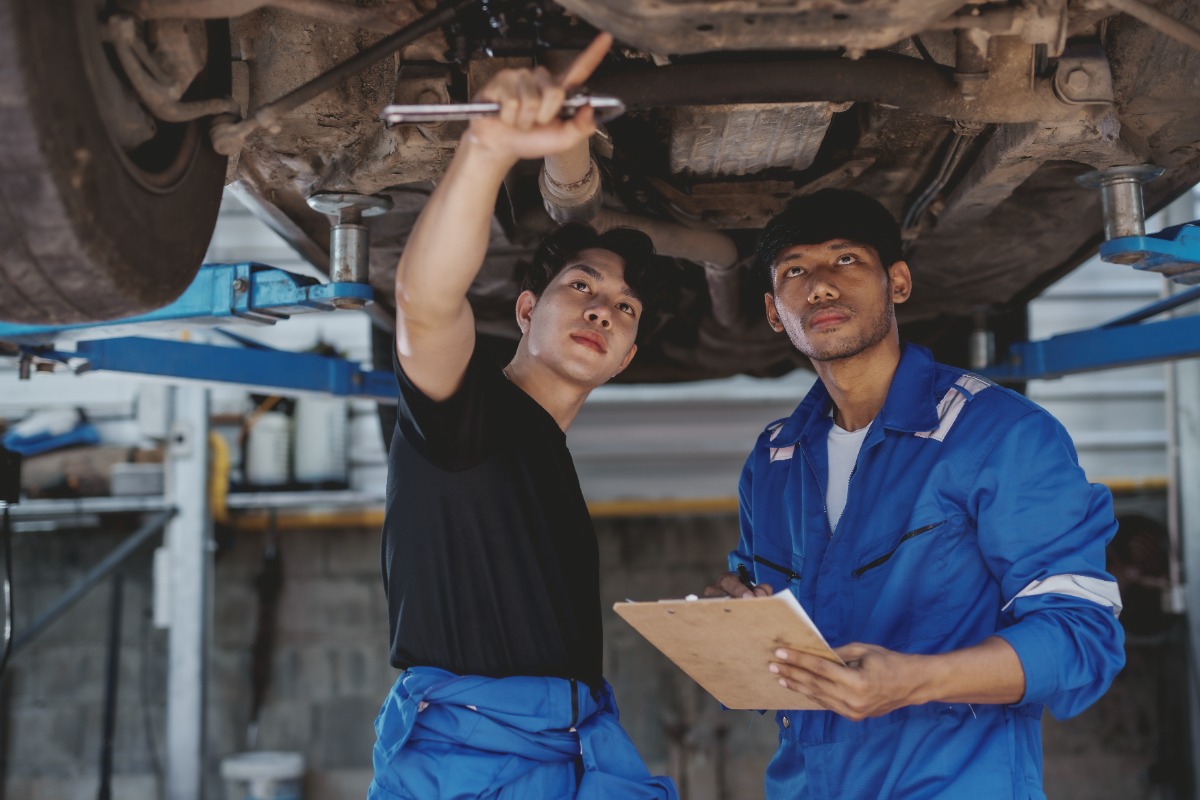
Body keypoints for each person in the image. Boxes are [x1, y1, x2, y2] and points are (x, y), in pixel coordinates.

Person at [704, 189, 1125, 798]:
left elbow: (1082, 638)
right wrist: (735, 615)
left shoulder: (1001, 434)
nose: (820, 285)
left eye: (845, 259)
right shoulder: (774, 460)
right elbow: (767, 632)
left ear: (897, 283)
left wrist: (917, 680)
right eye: (796, 270)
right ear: (775, 312)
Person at [367, 33, 677, 800]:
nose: (603, 311)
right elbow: (424, 303)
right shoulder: (467, 422)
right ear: (529, 308)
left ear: (627, 356)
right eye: (583, 288)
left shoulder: (541, 451)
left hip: (562, 755)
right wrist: (486, 148)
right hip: (475, 764)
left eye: (624, 308)